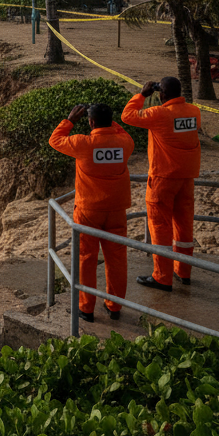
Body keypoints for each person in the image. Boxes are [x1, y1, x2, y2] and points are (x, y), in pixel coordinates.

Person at [49, 102, 135, 322]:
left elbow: (55, 140)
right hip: (116, 209)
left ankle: (86, 308)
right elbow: (120, 130)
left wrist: (70, 119)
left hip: (88, 209)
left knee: (86, 258)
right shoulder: (124, 143)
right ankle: (114, 306)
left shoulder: (83, 143)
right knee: (116, 258)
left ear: (91, 122)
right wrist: (106, 121)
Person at [122, 77, 202, 292]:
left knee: (160, 227)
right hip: (186, 178)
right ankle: (183, 272)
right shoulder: (194, 111)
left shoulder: (158, 114)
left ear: (162, 93)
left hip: (163, 177)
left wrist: (142, 94)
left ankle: (162, 277)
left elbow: (127, 116)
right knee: (184, 226)